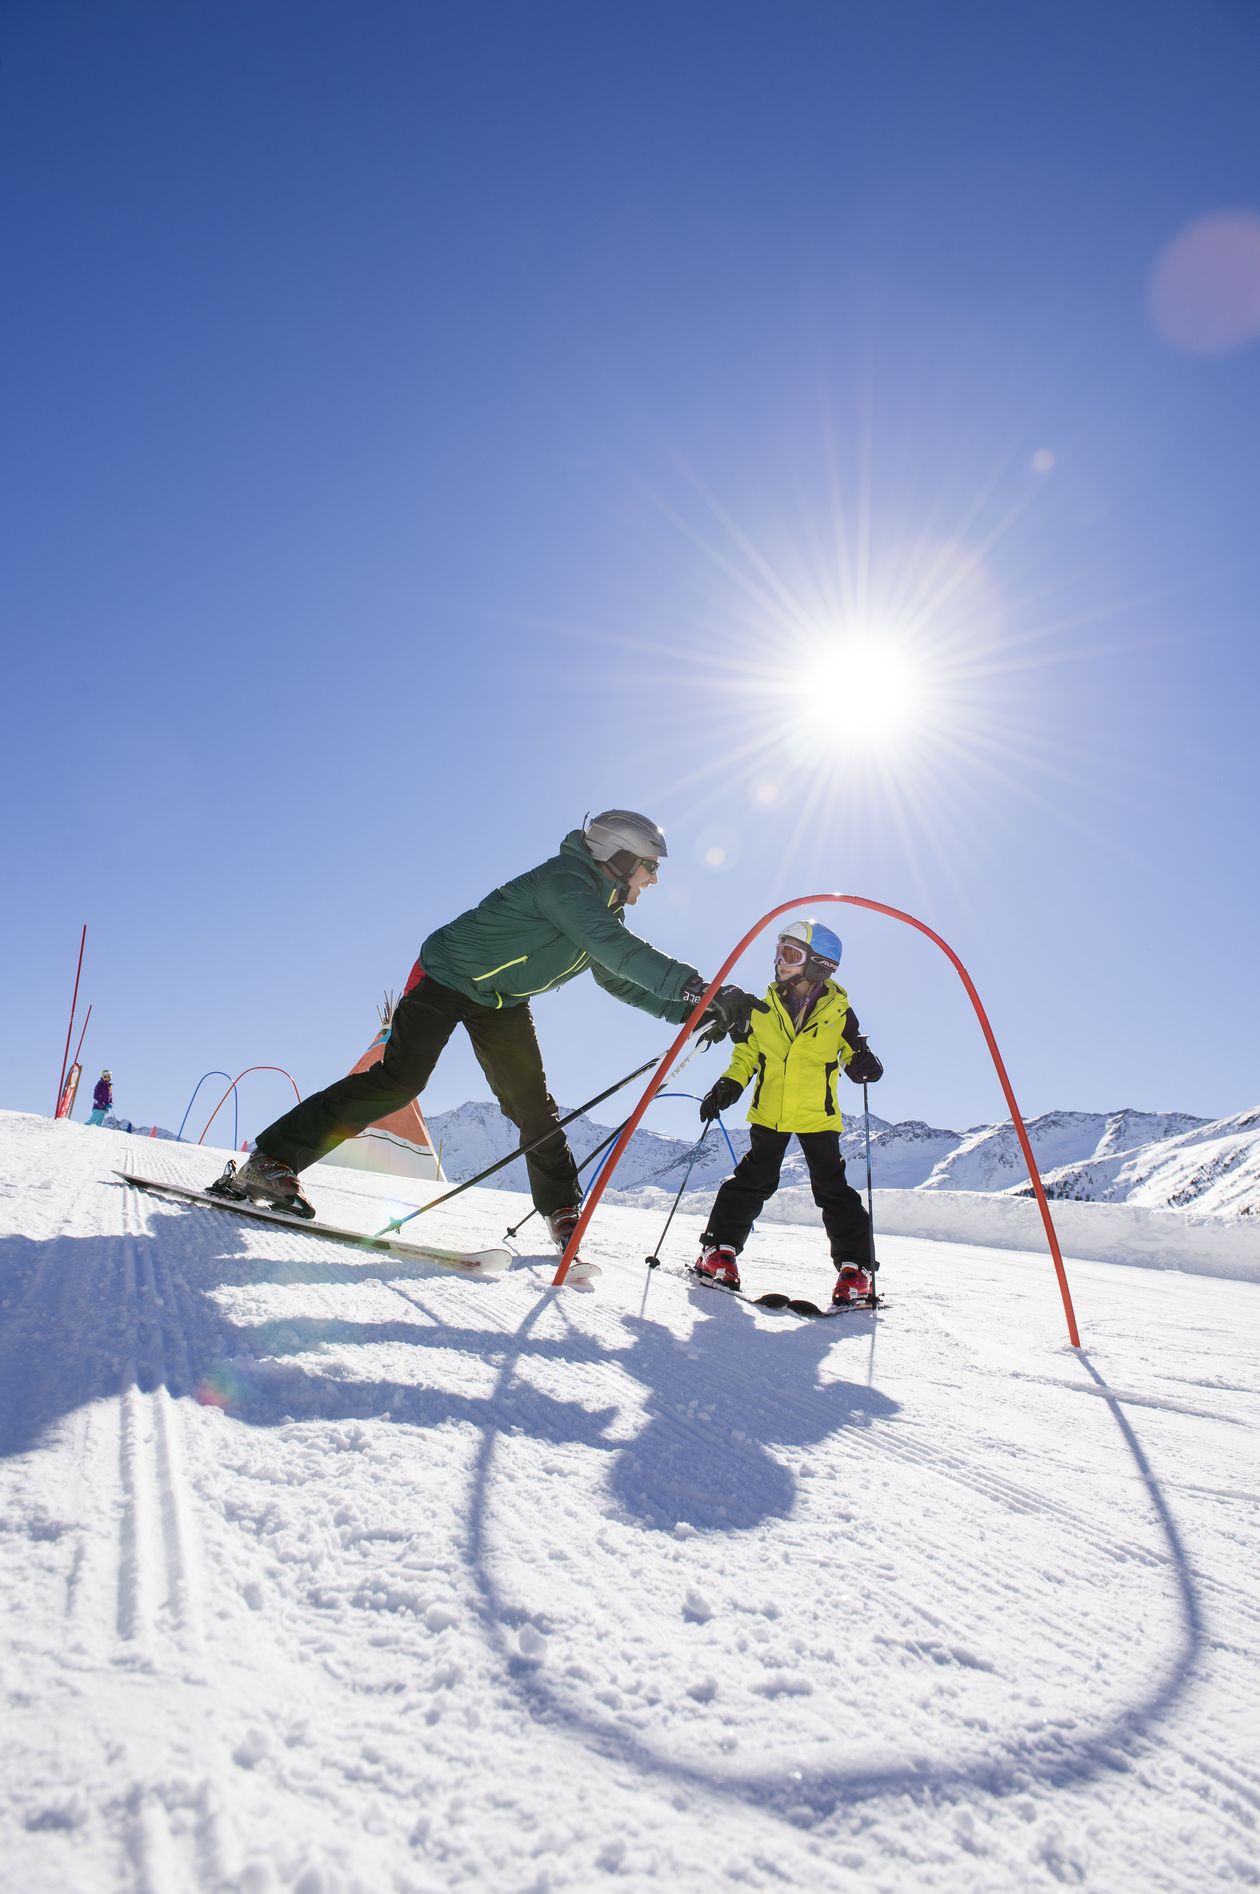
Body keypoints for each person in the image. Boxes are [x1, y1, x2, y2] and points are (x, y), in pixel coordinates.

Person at [210, 811, 766, 1242]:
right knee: (398, 1082)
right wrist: (703, 990)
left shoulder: (603, 908)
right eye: (652, 867)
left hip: (500, 998)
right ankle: (270, 1161)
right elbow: (616, 951)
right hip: (447, 974)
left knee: (531, 1105)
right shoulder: (566, 884)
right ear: (621, 857)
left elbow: (615, 978)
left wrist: (695, 1012)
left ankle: (561, 1210)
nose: (654, 880)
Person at [694, 918, 884, 1305]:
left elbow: (852, 1053)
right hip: (771, 1112)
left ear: (819, 965)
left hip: (818, 1115)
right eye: (779, 952)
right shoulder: (761, 1008)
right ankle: (718, 1251)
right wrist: (730, 1083)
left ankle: (856, 1270)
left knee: (833, 1191)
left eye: (791, 954)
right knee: (752, 1181)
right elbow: (747, 1053)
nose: (781, 962)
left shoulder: (840, 1012)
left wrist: (863, 1063)